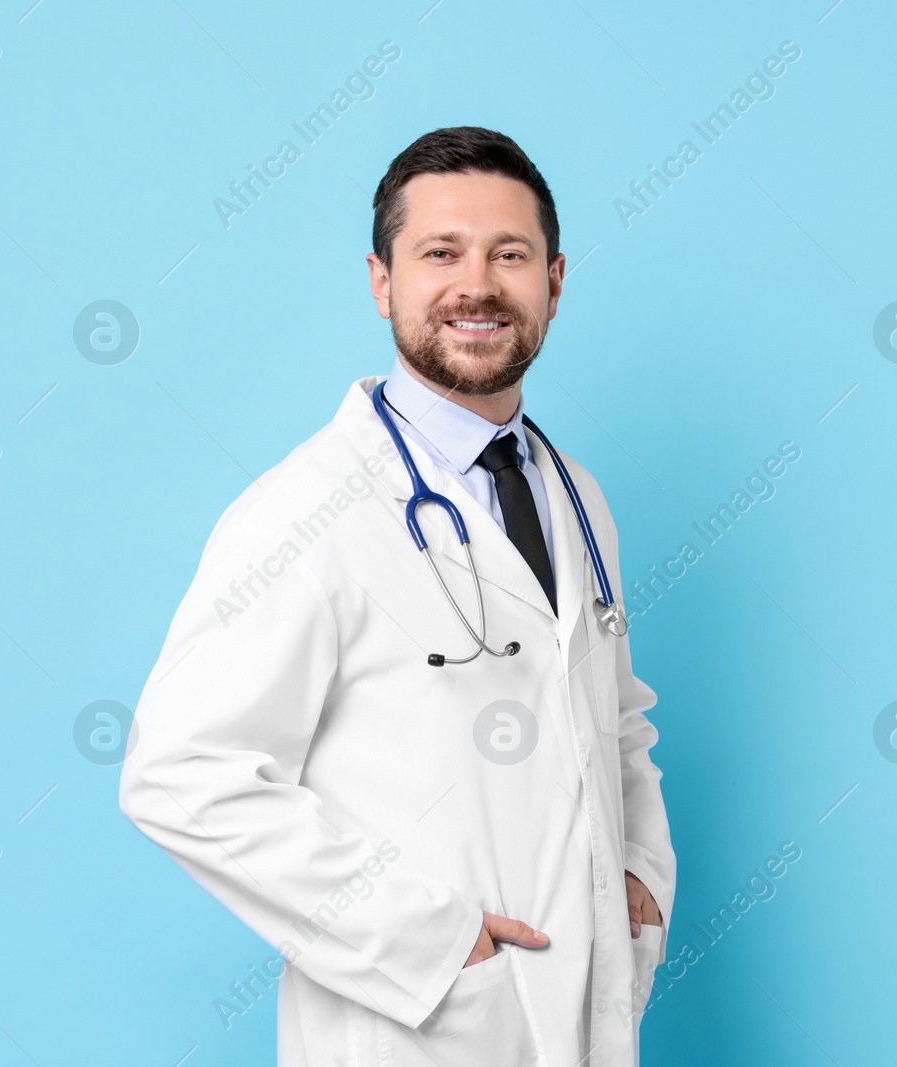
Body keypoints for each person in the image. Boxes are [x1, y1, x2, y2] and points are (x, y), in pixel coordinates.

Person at [120, 126, 674, 1066]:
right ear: (382, 281)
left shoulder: (577, 495)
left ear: (555, 279)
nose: (479, 285)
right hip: (417, 1030)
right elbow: (180, 775)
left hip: (585, 1013)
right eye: (440, 253)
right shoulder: (306, 511)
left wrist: (642, 882)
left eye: (511, 254)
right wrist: (436, 946)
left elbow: (616, 725)